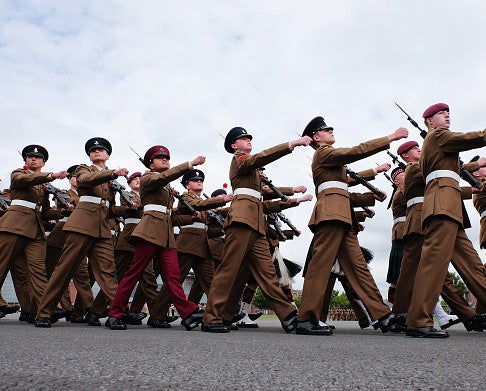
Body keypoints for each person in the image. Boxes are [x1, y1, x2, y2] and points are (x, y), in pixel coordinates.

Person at [297, 116, 408, 335]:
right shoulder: (324, 153)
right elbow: (356, 151)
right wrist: (390, 138)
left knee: (359, 269)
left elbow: (345, 186)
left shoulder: (332, 164)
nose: (331, 131)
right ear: (316, 138)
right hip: (331, 215)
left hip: (343, 217)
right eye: (326, 130)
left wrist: (370, 193)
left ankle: (382, 316)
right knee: (320, 267)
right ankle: (306, 318)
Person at [201, 127, 312, 333]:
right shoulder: (239, 159)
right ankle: (212, 317)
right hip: (242, 220)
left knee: (268, 274)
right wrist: (291, 145)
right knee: (228, 270)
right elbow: (261, 158)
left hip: (257, 225)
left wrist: (292, 191)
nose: (248, 140)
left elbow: (265, 192)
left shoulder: (252, 171)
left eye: (249, 137)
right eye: (243, 138)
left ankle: (288, 316)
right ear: (234, 146)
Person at [406, 103, 486, 338]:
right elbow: (471, 138)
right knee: (433, 264)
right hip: (442, 205)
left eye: (448, 112)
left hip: (450, 207)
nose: (447, 115)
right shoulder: (438, 136)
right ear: (430, 121)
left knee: (472, 266)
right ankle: (418, 320)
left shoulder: (440, 143)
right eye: (441, 113)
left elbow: (456, 168)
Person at [106, 145, 206, 330]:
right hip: (150, 232)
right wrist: (189, 164)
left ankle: (188, 313)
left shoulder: (164, 184)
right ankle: (115, 314)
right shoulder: (148, 178)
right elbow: (163, 178)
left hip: (166, 234)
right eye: (160, 158)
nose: (165, 160)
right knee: (133, 275)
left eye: (167, 157)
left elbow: (169, 211)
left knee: (174, 278)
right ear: (150, 164)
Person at [35, 138, 130, 327]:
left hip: (102, 228)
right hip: (82, 224)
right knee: (65, 268)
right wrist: (112, 174)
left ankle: (117, 313)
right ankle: (44, 312)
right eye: (93, 150)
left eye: (101, 150)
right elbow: (85, 180)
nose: (97, 152)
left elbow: (109, 208)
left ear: (108, 155)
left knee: (107, 271)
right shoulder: (83, 169)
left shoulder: (111, 179)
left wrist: (130, 209)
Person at [0, 145, 69, 324]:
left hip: (36, 229)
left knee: (38, 271)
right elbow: (23, 180)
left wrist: (63, 211)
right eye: (29, 157)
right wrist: (51, 176)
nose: (33, 159)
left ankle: (43, 311)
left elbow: (45, 212)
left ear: (43, 162)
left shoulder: (43, 186)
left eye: (37, 158)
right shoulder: (18, 173)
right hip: (14, 225)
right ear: (25, 161)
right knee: (1, 266)